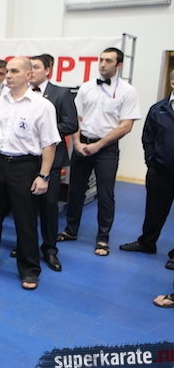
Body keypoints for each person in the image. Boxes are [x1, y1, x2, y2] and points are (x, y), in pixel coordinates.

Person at [0, 57, 60, 290]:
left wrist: (44, 175)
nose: (8, 75)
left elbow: (49, 144)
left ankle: (29, 269)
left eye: (14, 71)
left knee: (25, 219)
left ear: (29, 75)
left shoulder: (42, 106)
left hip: (25, 166)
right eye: (7, 71)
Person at [60, 48, 141, 256]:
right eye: (101, 60)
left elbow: (126, 126)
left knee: (105, 194)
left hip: (106, 149)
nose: (103, 64)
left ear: (119, 65)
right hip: (82, 144)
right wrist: (77, 142)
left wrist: (99, 145)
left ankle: (103, 238)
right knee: (75, 190)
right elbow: (76, 118)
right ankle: (70, 230)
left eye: (108, 61)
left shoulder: (128, 91)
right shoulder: (86, 87)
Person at [17, 55, 78, 271]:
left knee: (49, 207)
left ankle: (50, 249)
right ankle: (26, 247)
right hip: (25, 160)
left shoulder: (61, 94)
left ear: (48, 70)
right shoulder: (21, 94)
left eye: (36, 67)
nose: (31, 71)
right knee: (25, 208)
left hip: (50, 161)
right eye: (30, 67)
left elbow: (70, 124)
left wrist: (43, 130)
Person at [120, 69, 174, 270]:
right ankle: (147, 243)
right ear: (172, 83)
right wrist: (151, 160)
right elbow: (148, 138)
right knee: (154, 210)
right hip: (160, 171)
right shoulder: (158, 109)